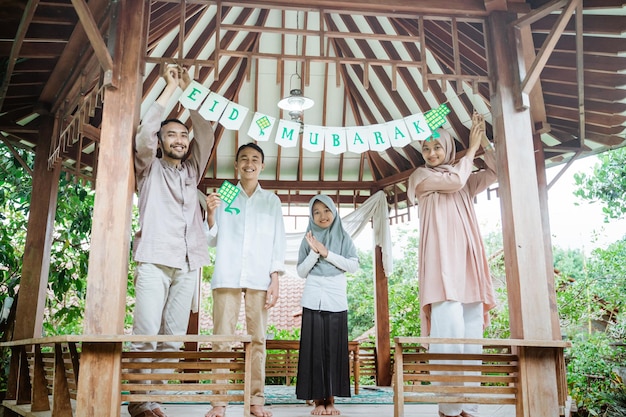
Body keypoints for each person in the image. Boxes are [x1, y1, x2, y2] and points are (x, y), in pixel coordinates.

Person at [128, 64, 215, 417]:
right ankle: (138, 401)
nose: (179, 140)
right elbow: (145, 131)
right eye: (172, 136)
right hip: (153, 257)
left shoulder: (193, 171)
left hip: (190, 261)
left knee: (173, 338)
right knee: (146, 333)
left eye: (183, 135)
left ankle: (153, 398)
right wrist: (169, 89)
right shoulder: (149, 168)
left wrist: (191, 90)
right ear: (162, 143)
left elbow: (206, 134)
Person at [407, 111, 497, 417]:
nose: (432, 154)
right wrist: (471, 149)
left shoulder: (464, 179)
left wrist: (482, 137)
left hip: (468, 265)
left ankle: (469, 406)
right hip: (440, 266)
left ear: (448, 147)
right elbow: (457, 178)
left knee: (472, 338)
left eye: (437, 147)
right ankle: (448, 406)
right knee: (448, 334)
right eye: (426, 149)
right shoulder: (421, 177)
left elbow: (497, 172)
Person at [204, 142, 286, 417]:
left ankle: (256, 401)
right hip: (227, 273)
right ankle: (219, 402)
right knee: (221, 339)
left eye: (255, 159)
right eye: (243, 159)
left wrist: (275, 278)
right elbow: (211, 239)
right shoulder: (224, 193)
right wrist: (211, 214)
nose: (249, 163)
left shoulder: (271, 200)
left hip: (259, 276)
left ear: (262, 166)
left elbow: (278, 242)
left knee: (258, 339)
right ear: (236, 164)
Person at [295, 194, 359, 416]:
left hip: (336, 299)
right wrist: (314, 252)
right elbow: (301, 271)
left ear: (334, 211)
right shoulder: (308, 238)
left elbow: (353, 266)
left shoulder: (343, 236)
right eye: (316, 212)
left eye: (326, 210)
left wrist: (327, 253)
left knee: (333, 351)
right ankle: (317, 402)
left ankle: (330, 400)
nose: (322, 216)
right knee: (314, 351)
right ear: (312, 216)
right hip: (313, 299)